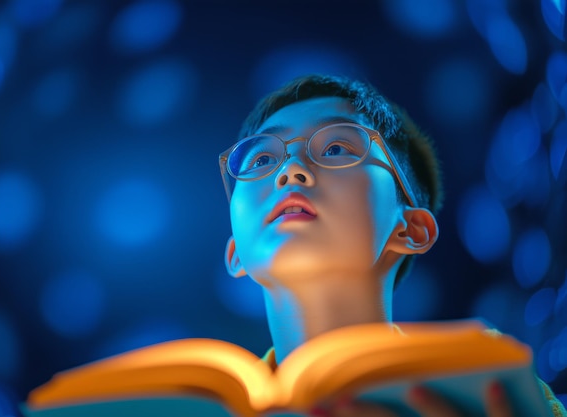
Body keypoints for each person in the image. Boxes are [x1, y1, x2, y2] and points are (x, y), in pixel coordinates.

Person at [219, 74, 566, 417]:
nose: (291, 170)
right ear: (235, 254)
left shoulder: (491, 384)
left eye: (336, 148)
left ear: (412, 229)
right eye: (261, 160)